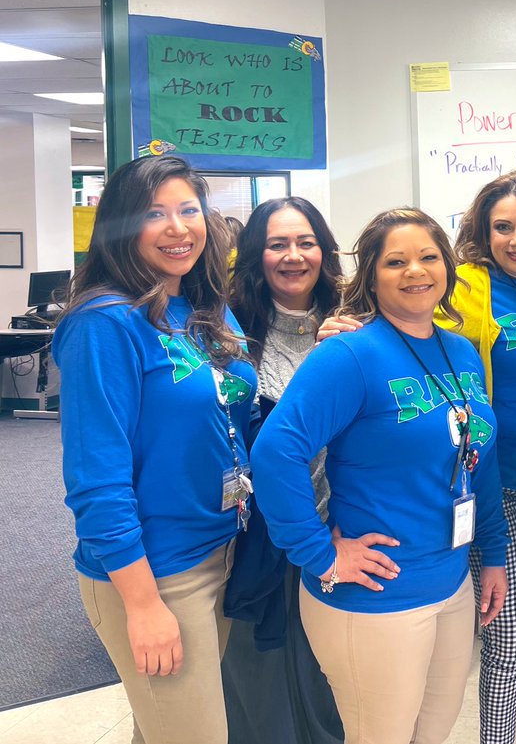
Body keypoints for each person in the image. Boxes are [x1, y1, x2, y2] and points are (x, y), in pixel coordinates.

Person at [319, 168, 516, 744]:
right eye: (503, 227)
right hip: (481, 480)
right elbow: (409, 324)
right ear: (482, 234)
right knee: (505, 636)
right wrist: (349, 330)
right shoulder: (465, 285)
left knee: (509, 630)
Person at [251, 207, 509, 744]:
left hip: (451, 582)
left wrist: (496, 555)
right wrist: (318, 553)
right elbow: (276, 453)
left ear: (447, 269)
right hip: (375, 594)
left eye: (428, 257)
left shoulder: (458, 350)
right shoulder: (348, 354)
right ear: (370, 275)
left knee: (432, 731)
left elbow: (477, 458)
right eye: (396, 261)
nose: (415, 271)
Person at [53, 154, 257, 744]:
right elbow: (96, 480)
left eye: (189, 210)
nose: (178, 228)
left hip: (219, 552)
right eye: (154, 214)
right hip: (157, 573)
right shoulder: (104, 324)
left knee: (163, 730)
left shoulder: (194, 311)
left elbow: (231, 413)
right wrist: (142, 605)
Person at [222, 197, 345, 743]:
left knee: (330, 678)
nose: (293, 256)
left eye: (305, 242)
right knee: (259, 681)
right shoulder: (226, 330)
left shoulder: (354, 324)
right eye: (277, 244)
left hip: (342, 526)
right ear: (256, 254)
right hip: (258, 539)